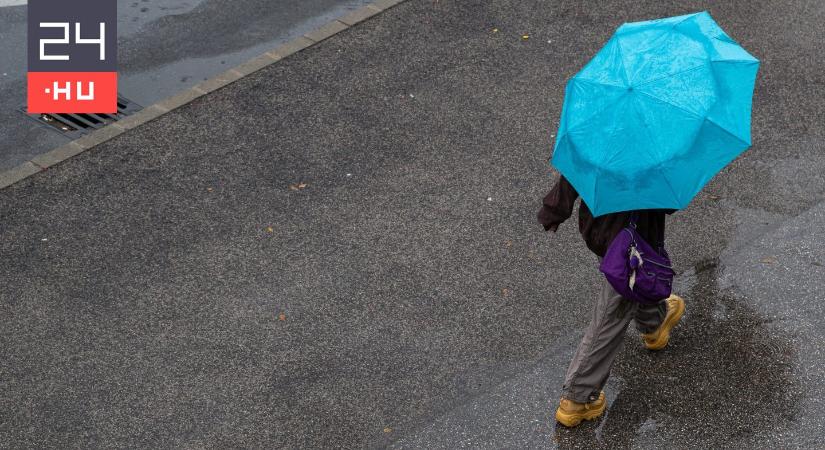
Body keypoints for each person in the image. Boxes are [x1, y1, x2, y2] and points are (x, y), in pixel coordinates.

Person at [538, 174, 685, 428]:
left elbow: (575, 172)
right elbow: (668, 203)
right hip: (630, 245)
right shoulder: (648, 159)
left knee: (635, 285)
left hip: (598, 229)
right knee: (612, 313)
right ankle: (578, 396)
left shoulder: (601, 148)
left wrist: (554, 209)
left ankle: (655, 324)